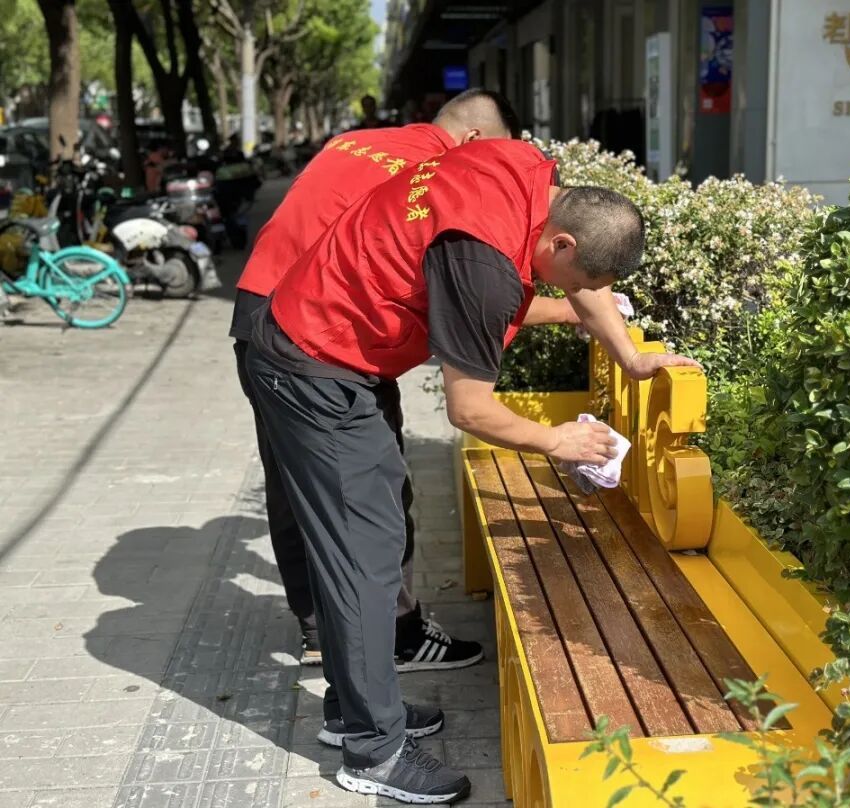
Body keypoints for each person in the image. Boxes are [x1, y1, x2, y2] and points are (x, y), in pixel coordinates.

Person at [244, 138, 699, 803]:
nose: (577, 296)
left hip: (334, 347)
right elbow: (471, 409)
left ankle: (356, 710)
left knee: (373, 544)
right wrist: (557, 442)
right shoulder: (483, 266)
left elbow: (589, 288)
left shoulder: (521, 168)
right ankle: (373, 752)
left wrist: (631, 357)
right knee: (366, 559)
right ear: (562, 242)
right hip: (315, 367)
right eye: (573, 282)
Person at [231, 90, 577, 675]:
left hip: (260, 309)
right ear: (473, 141)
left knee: (293, 480)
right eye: (493, 156)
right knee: (376, 495)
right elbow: (463, 299)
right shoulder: (444, 173)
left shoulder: (356, 142)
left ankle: (320, 632)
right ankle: (395, 636)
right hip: (330, 332)